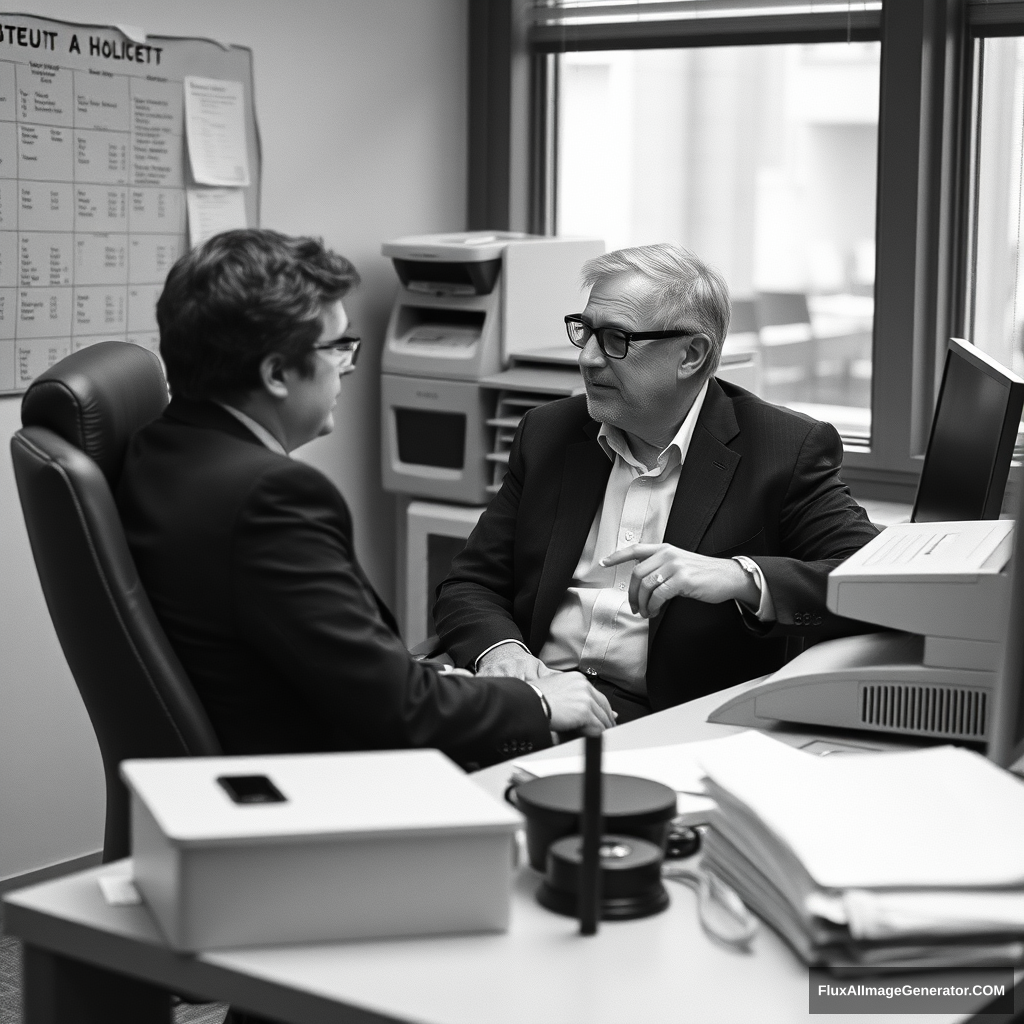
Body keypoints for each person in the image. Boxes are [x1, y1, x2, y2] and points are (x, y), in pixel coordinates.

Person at [116, 229, 614, 771]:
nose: (348, 368)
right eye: (336, 348)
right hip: (325, 779)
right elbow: (396, 710)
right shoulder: (271, 498)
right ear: (277, 373)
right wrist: (540, 702)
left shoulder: (154, 449)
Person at [433, 243, 880, 723]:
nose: (586, 359)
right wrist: (503, 653)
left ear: (691, 354)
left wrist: (740, 576)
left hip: (668, 720)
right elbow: (471, 582)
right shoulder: (549, 434)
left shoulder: (783, 450)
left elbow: (876, 586)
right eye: (584, 331)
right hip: (542, 700)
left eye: (615, 339)